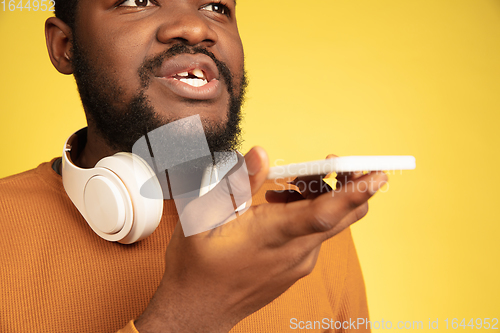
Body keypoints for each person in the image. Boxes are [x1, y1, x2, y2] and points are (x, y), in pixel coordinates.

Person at [0, 0, 388, 332]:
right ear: (65, 46)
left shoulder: (308, 227)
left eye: (216, 7)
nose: (194, 27)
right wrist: (185, 319)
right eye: (137, 0)